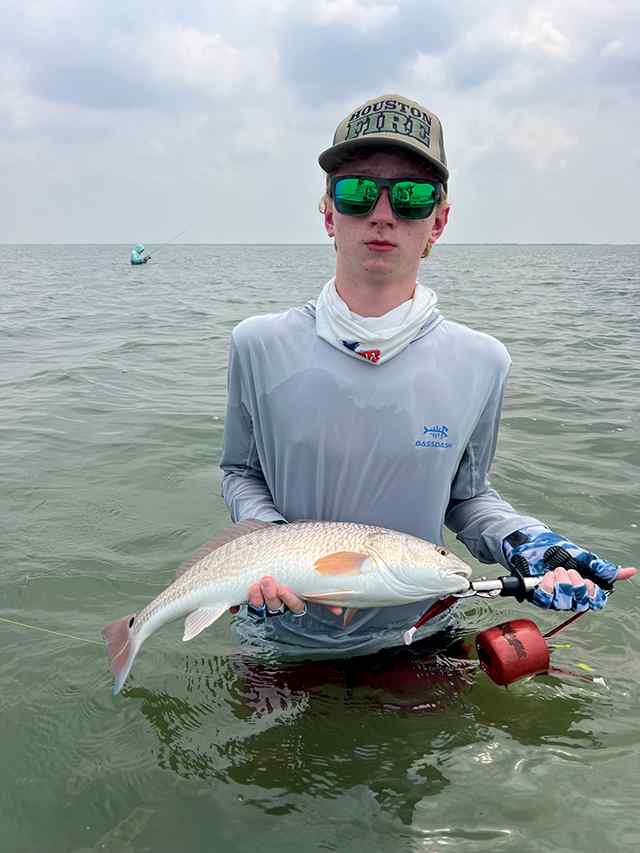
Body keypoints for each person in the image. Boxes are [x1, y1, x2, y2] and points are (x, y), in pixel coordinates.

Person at [219, 93, 624, 656]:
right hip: (280, 636)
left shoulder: (483, 361)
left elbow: (468, 498)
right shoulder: (257, 343)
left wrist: (531, 544)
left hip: (422, 635)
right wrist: (268, 545)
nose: (383, 214)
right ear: (329, 213)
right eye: (357, 192)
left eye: (411, 197)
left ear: (439, 221)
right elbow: (240, 472)